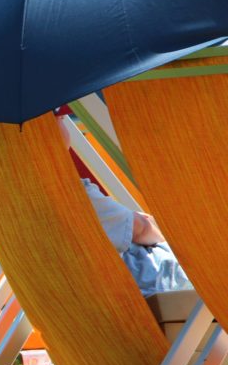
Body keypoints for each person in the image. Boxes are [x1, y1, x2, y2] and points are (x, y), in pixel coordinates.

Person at [58, 115, 193, 297]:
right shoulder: (73, 194)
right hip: (142, 291)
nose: (64, 116)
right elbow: (142, 230)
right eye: (57, 118)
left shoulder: (17, 205)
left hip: (74, 302)